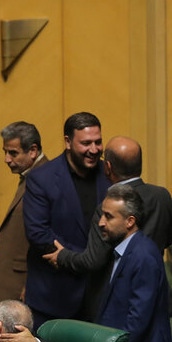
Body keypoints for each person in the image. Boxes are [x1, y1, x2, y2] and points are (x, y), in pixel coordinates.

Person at [44, 135, 172, 318]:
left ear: (108, 167)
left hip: (120, 301)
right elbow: (168, 240)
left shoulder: (107, 209)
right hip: (156, 293)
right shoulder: (162, 196)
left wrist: (62, 256)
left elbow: (93, 260)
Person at [22, 112, 109, 326]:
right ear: (68, 142)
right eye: (86, 143)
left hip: (101, 293)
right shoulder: (40, 179)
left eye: (98, 142)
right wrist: (83, 259)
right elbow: (38, 232)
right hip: (54, 295)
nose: (94, 149)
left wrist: (89, 259)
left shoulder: (110, 174)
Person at [93, 184, 172, 342]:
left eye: (109, 216)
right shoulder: (126, 250)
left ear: (130, 221)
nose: (101, 223)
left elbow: (138, 319)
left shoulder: (143, 256)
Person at [0, 121, 47, 303]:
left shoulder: (45, 179)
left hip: (26, 285)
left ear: (32, 151)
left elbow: (46, 237)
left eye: (13, 153)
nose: (7, 159)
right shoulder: (30, 176)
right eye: (5, 152)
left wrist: (32, 283)